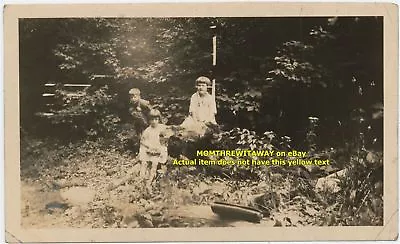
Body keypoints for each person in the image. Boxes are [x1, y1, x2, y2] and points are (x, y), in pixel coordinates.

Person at [138, 109, 168, 191]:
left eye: (156, 119)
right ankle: (142, 179)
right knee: (144, 163)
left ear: (159, 119)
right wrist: (149, 147)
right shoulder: (148, 130)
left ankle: (149, 182)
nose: (154, 121)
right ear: (149, 120)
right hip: (150, 150)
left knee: (154, 164)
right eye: (152, 119)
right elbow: (143, 141)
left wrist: (160, 149)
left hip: (158, 151)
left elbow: (165, 141)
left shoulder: (162, 128)